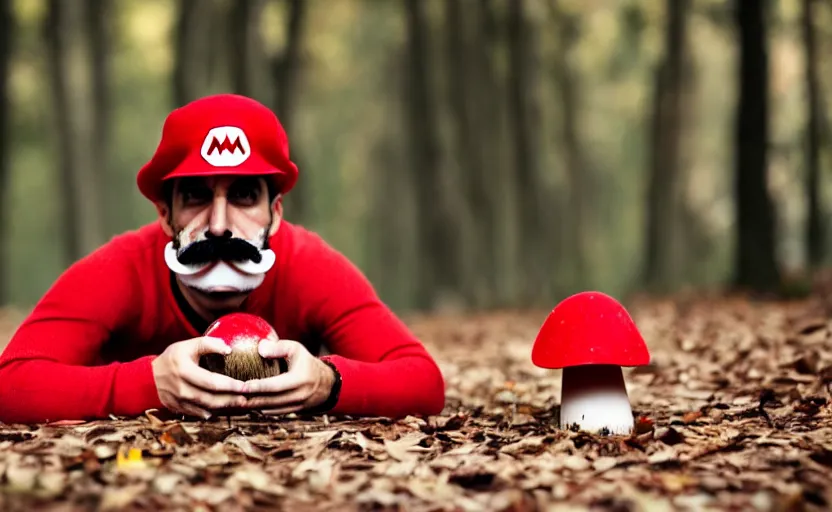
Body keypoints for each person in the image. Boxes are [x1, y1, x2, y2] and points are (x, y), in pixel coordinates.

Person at [0, 94, 445, 424]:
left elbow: (423, 381)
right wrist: (147, 384)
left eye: (244, 195)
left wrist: (327, 383)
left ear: (275, 214)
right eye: (195, 195)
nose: (218, 226)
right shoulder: (121, 269)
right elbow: (11, 384)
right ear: (164, 215)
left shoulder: (310, 265)